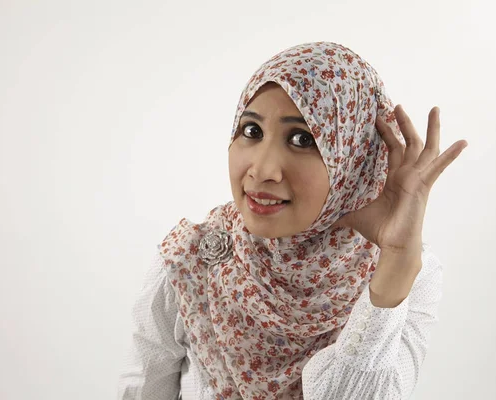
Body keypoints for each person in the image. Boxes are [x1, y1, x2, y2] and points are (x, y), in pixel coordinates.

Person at [117, 41, 468, 399]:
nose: (263, 170)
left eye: (302, 139)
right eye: (251, 131)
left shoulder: (409, 274)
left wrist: (394, 263)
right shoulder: (189, 260)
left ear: (354, 157)